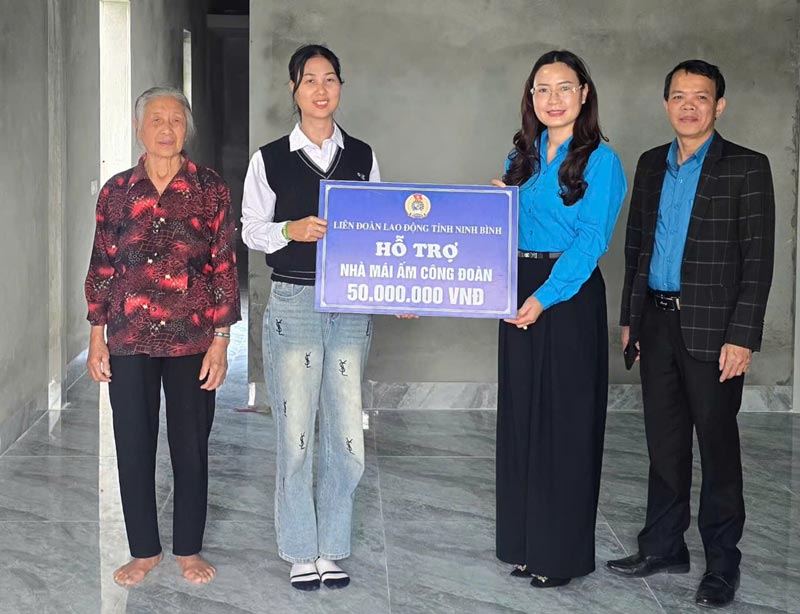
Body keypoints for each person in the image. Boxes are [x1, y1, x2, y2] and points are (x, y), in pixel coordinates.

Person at [607, 60, 775, 609]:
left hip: (714, 333)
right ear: (665, 104)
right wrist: (631, 316)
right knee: (665, 445)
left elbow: (758, 261)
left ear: (718, 106)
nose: (688, 105)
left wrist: (743, 336)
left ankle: (723, 565)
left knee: (718, 450)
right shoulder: (651, 164)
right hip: (656, 323)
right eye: (678, 96)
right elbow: (636, 250)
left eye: (700, 97)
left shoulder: (747, 168)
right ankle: (663, 545)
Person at [84, 86, 241, 586]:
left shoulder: (210, 188)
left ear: (186, 129)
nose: (167, 129)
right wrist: (95, 333)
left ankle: (188, 549)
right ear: (139, 129)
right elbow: (102, 265)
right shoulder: (116, 191)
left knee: (190, 445)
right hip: (128, 338)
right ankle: (144, 551)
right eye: (157, 119)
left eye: (176, 120)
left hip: (192, 340)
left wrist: (221, 339)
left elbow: (224, 266)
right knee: (132, 444)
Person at [241, 44, 379, 591]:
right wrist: (289, 230)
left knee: (347, 438)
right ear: (294, 90)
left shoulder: (364, 155)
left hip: (349, 309)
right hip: (294, 304)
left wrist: (400, 288)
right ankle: (301, 548)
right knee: (296, 437)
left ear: (341, 87)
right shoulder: (269, 157)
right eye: (309, 81)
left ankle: (332, 547)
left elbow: (379, 233)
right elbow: (250, 229)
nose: (321, 90)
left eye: (330, 79)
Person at [494, 50, 627, 588]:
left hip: (566, 298)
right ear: (531, 98)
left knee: (565, 428)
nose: (552, 99)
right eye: (542, 89)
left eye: (564, 88)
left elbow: (591, 241)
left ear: (584, 94)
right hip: (516, 290)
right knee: (523, 420)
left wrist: (546, 298)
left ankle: (560, 555)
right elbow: (497, 226)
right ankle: (526, 545)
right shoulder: (521, 156)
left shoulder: (601, 161)